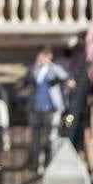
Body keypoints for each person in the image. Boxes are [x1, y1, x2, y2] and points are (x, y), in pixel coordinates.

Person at [25, 46, 74, 174]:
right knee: (36, 138)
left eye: (43, 55)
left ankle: (51, 164)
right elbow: (29, 79)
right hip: (36, 108)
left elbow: (66, 79)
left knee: (51, 137)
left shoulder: (55, 69)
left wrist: (50, 65)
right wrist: (36, 66)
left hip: (52, 109)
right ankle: (37, 165)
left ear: (49, 56)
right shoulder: (34, 69)